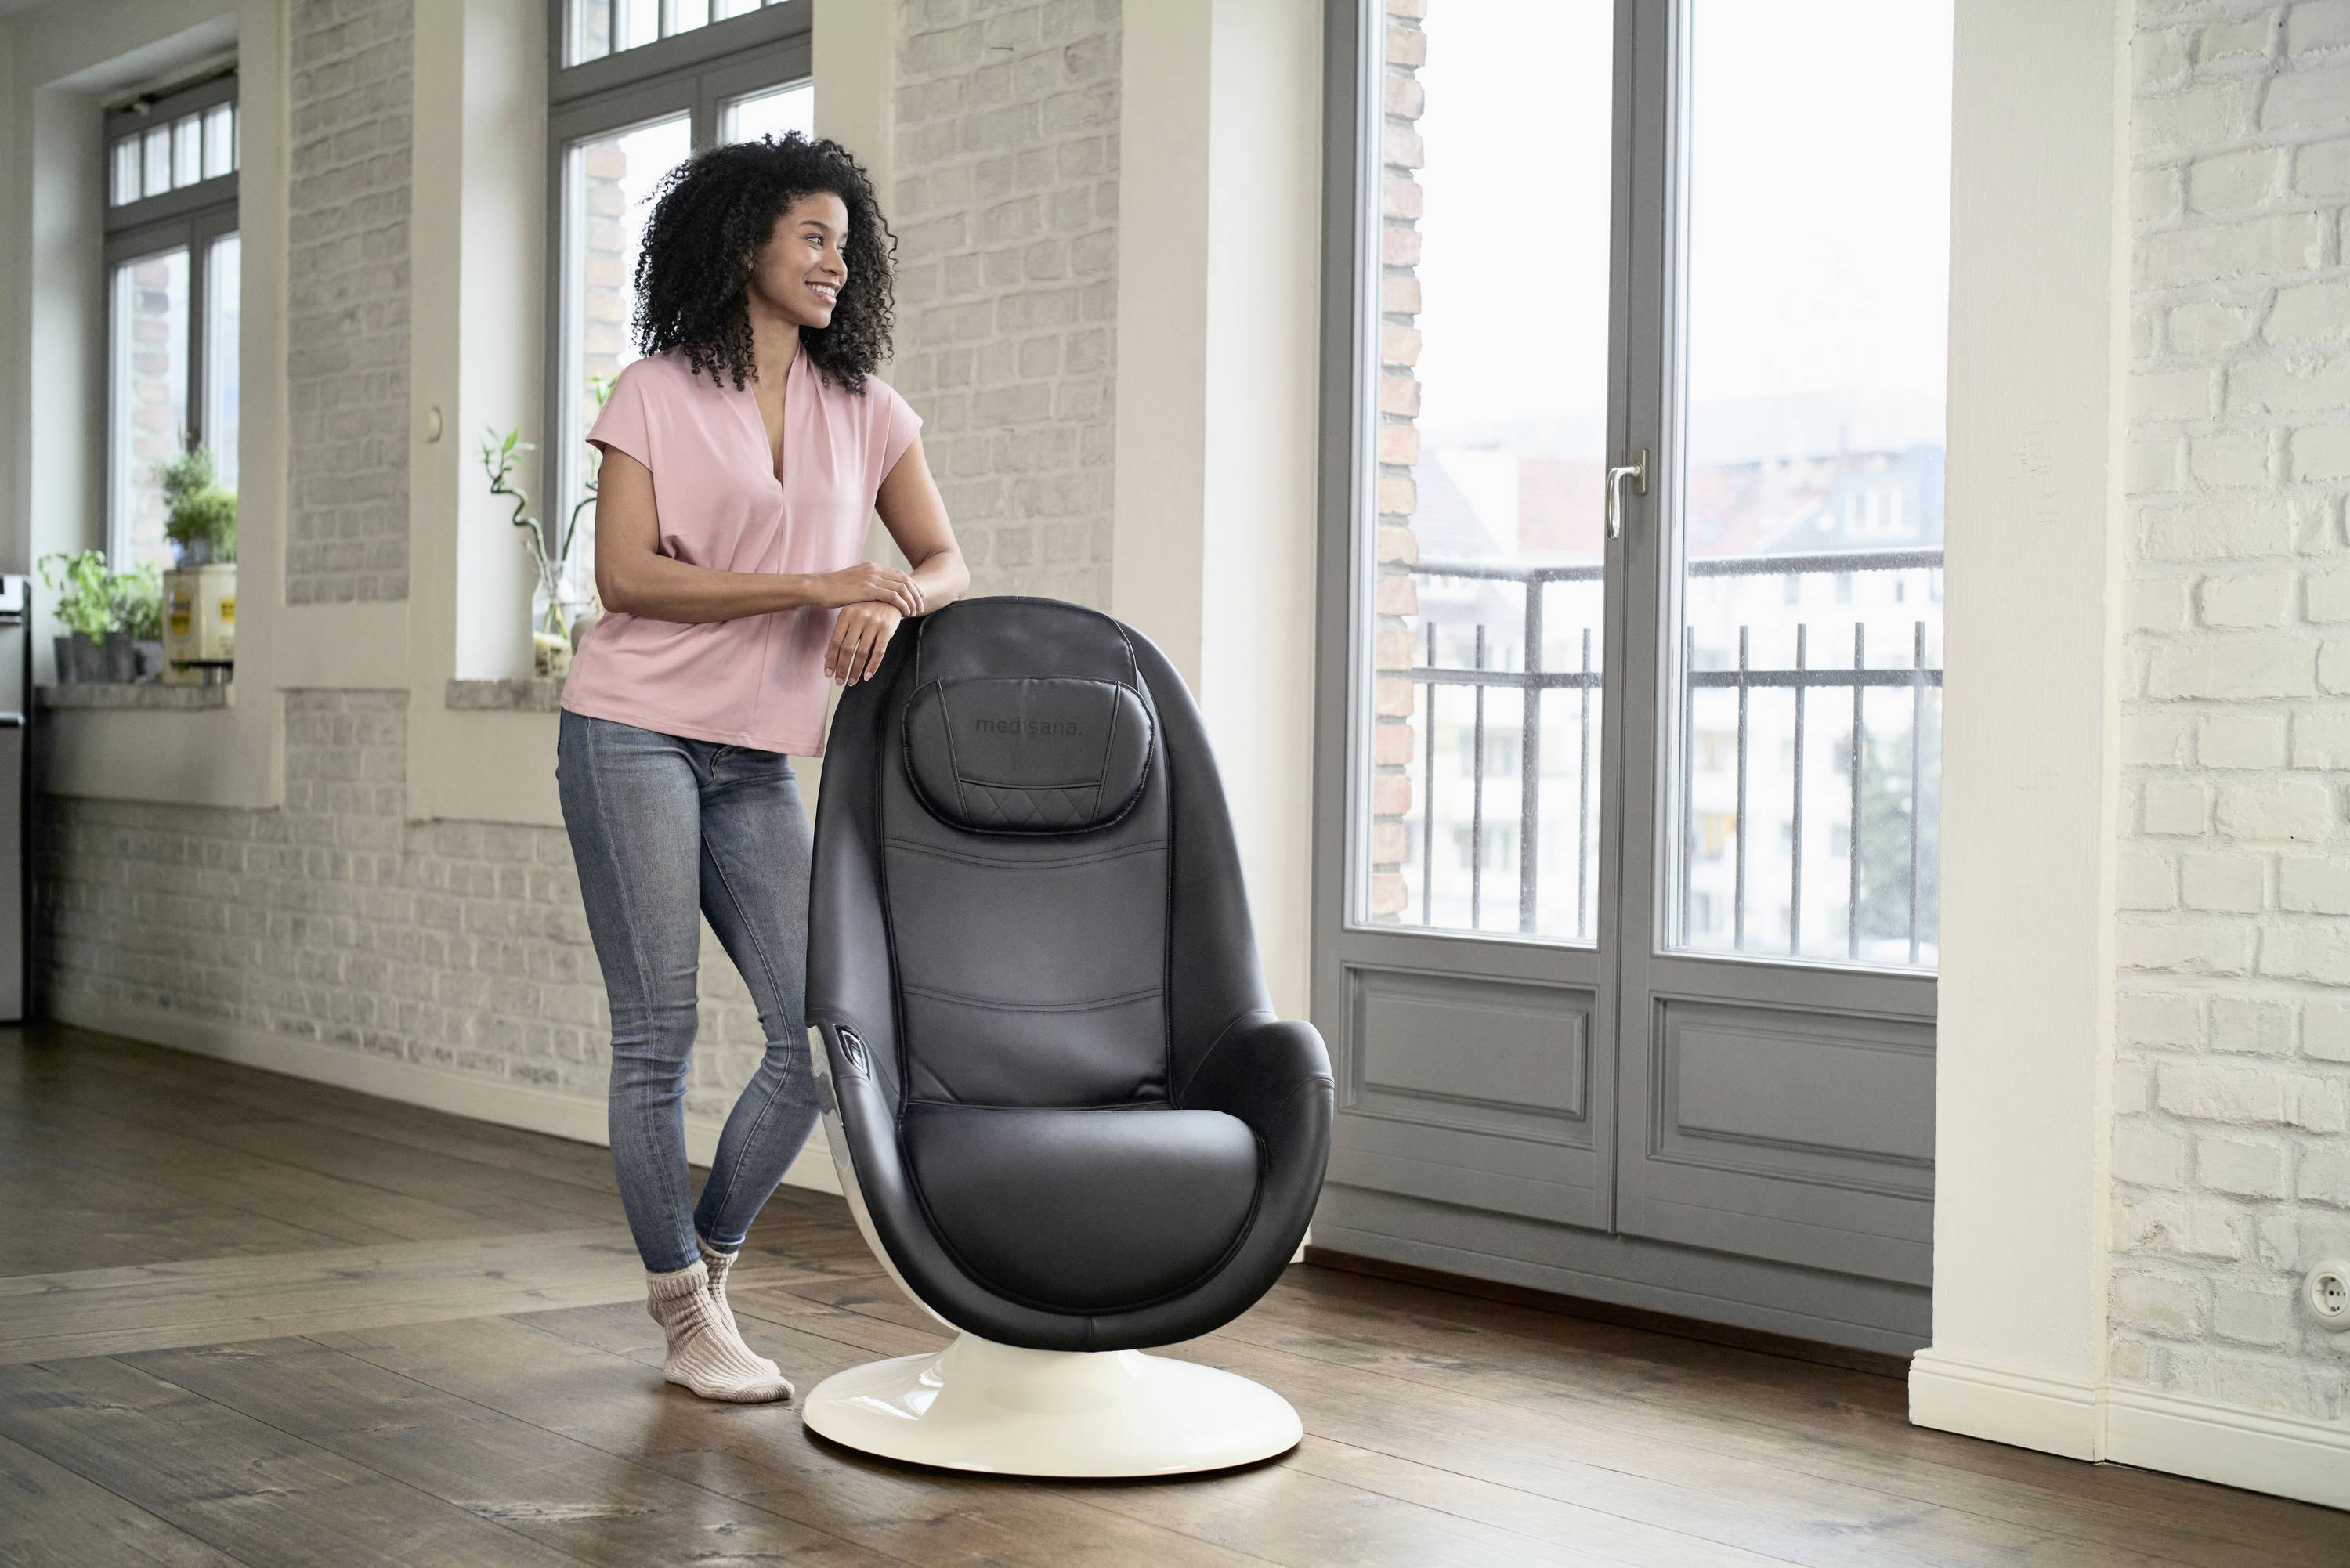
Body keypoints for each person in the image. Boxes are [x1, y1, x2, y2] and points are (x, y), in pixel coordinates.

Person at [554, 131, 968, 1404]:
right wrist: (817, 581)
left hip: (753, 761)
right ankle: (684, 1313)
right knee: (658, 1035)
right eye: (813, 238)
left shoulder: (867, 410)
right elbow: (625, 576)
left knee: (817, 1029)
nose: (837, 264)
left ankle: (708, 1271)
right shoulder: (654, 392)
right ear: (745, 245)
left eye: (849, 246)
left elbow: (946, 557)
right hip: (630, 727)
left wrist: (893, 603)